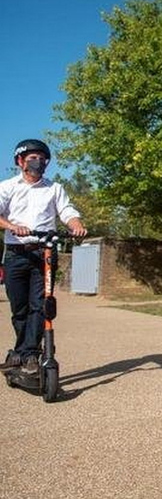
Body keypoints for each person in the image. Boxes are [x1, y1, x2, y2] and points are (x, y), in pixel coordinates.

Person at [0, 139, 87, 374]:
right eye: (32, 158)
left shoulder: (54, 188)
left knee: (40, 306)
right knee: (19, 308)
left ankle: (30, 355)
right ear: (20, 161)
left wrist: (76, 224)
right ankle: (19, 352)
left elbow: (67, 211)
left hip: (44, 252)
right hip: (16, 254)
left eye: (41, 158)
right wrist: (11, 225)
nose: (38, 162)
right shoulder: (7, 187)